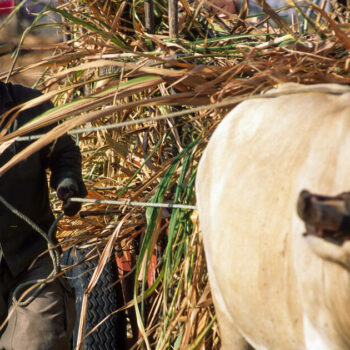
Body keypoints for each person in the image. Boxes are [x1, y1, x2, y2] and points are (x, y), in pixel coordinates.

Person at [0, 81, 87, 349]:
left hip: (31, 260)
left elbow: (64, 153)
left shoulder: (30, 106)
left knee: (39, 342)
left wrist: (69, 181)